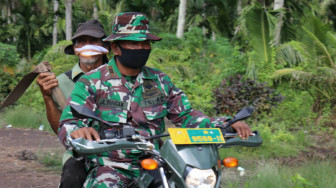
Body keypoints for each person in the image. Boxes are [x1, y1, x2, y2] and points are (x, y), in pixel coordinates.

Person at [58, 12, 252, 187]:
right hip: (110, 166)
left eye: (145, 44)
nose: (141, 48)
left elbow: (187, 116)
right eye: (134, 44)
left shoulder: (160, 81)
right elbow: (68, 122)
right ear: (115, 48)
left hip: (156, 164)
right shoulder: (92, 81)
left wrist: (226, 124)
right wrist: (77, 131)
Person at [36, 19, 109, 188]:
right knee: (72, 177)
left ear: (105, 47)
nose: (87, 46)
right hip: (81, 153)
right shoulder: (61, 82)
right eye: (82, 42)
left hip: (119, 148)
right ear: (76, 49)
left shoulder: (119, 78)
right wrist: (47, 97)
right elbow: (59, 129)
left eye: (93, 41)